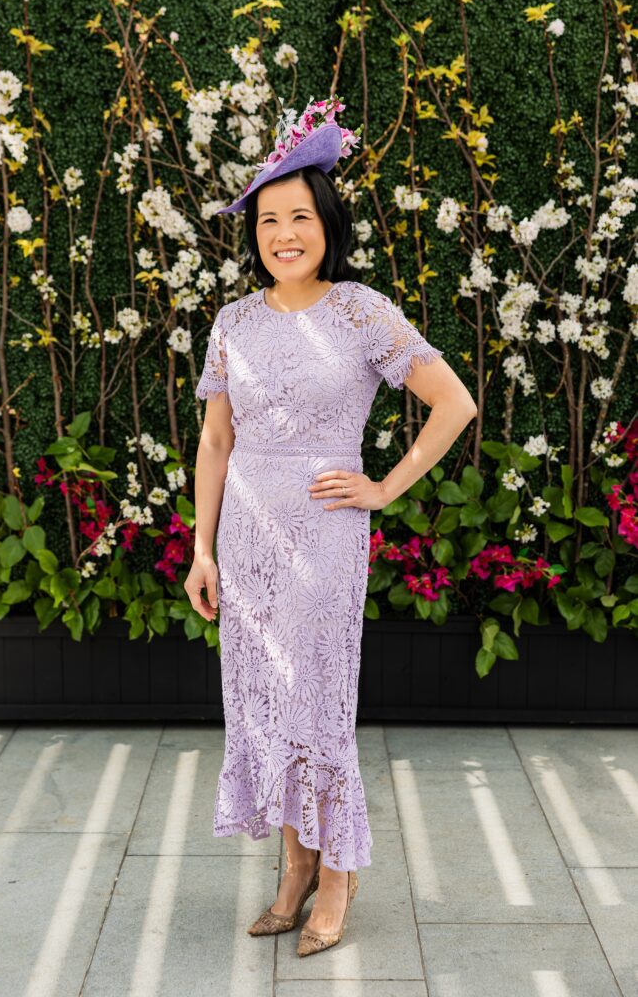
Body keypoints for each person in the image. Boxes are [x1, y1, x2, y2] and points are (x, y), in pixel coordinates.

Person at [185, 97, 478, 956]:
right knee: (263, 706)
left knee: (314, 703)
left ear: (326, 225)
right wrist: (201, 549)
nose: (283, 233)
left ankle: (337, 873)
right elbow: (212, 439)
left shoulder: (358, 309)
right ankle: (292, 867)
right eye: (268, 220)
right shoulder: (233, 321)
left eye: (299, 217)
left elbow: (452, 401)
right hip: (243, 541)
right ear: (255, 235)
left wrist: (384, 487)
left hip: (321, 539)